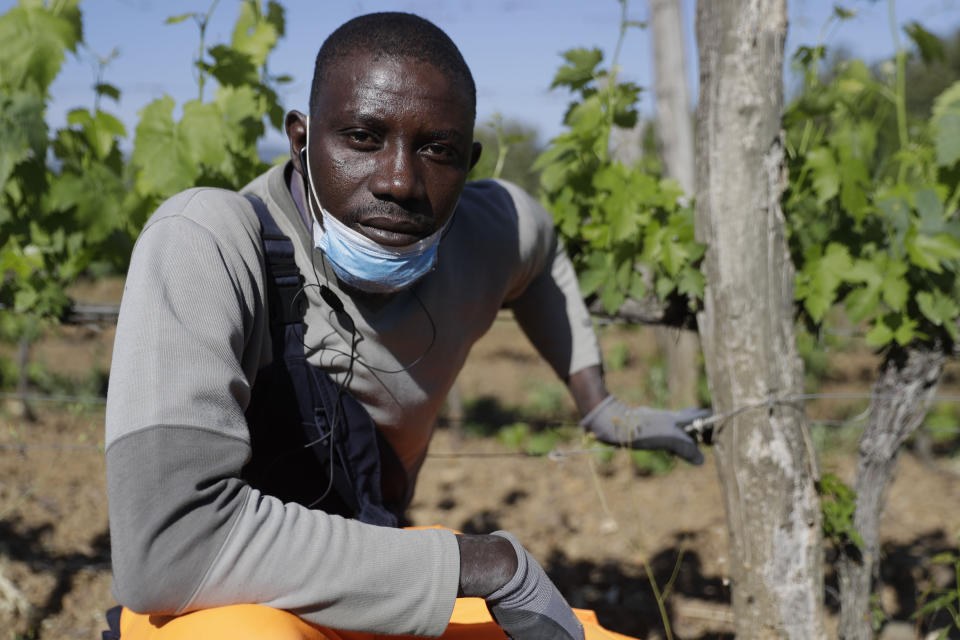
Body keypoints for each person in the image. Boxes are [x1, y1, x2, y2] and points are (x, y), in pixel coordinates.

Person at [103, 12, 708, 640]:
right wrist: (482, 565)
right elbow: (169, 550)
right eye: (363, 138)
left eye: (436, 151)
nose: (399, 181)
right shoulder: (211, 243)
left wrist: (598, 404)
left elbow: (541, 252)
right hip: (214, 601)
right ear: (301, 139)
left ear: (467, 164)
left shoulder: (487, 231)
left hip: (373, 577)